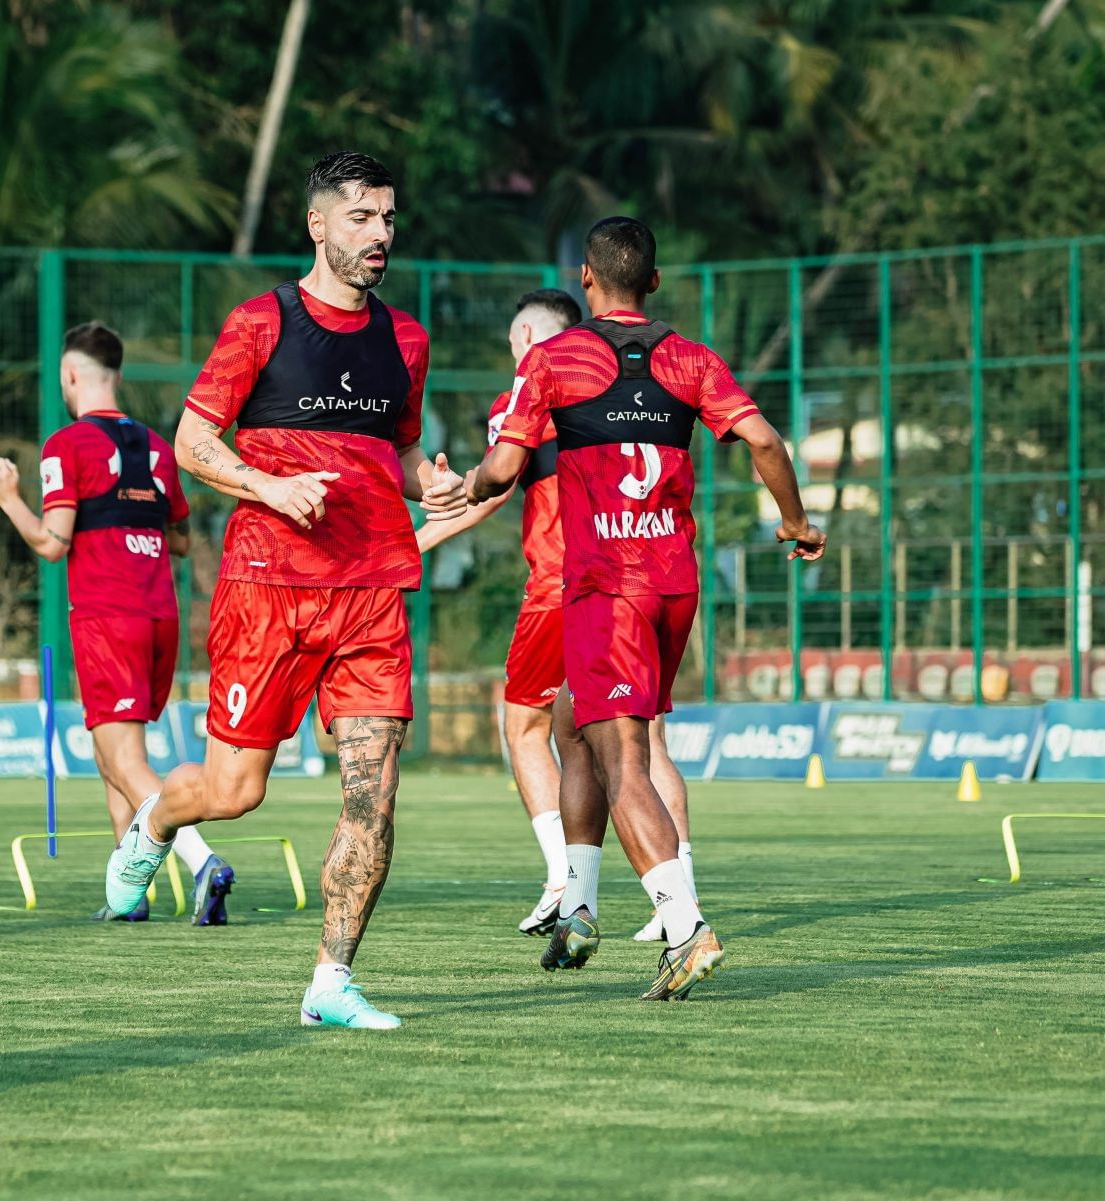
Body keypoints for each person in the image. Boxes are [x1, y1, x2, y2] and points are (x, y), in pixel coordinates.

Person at [102, 151, 470, 1029]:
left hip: (373, 591)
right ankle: (154, 823)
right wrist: (269, 488)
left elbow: (403, 454)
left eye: (388, 218)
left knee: (372, 796)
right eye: (361, 218)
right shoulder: (260, 323)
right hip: (268, 585)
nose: (380, 234)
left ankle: (330, 982)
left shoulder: (407, 341)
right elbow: (192, 441)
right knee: (235, 790)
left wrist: (437, 482)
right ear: (318, 225)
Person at [461, 215, 825, 1000]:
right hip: (672, 587)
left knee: (621, 753)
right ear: (653, 282)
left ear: (586, 280)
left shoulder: (556, 361)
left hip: (606, 587)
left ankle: (686, 926)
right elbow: (764, 441)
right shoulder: (690, 358)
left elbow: (505, 463)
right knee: (574, 727)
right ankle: (581, 905)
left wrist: (474, 484)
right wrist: (794, 523)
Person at [416, 291, 699, 942]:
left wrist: (414, 542)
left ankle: (563, 882)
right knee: (646, 739)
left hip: (560, 587)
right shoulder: (611, 389)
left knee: (523, 726)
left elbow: (495, 486)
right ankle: (676, 894)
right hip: (639, 579)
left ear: (522, 336)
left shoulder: (529, 388)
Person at [0, 322, 235, 924]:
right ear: (116, 375)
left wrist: (9, 499)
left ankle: (203, 864)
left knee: (124, 758)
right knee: (109, 753)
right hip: (158, 614)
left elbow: (51, 543)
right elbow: (179, 541)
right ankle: (131, 895)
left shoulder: (65, 444)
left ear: (69, 376)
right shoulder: (156, 445)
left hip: (106, 613)